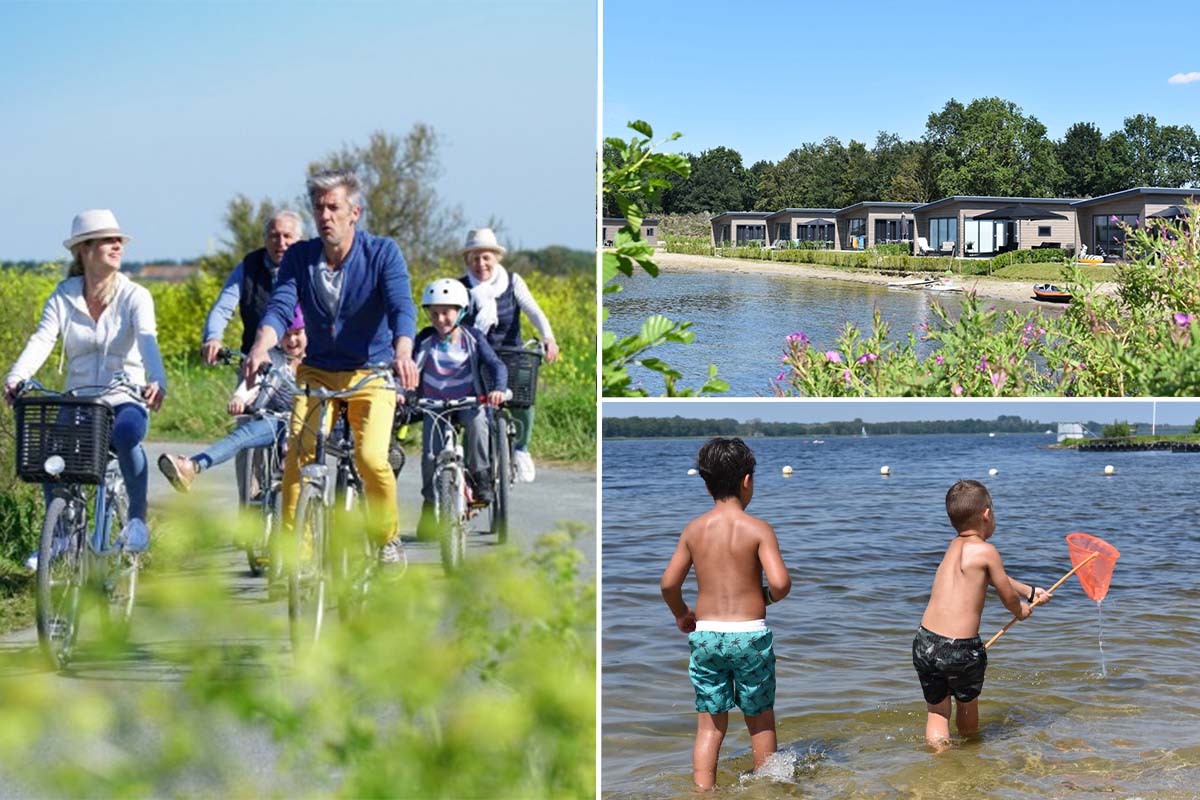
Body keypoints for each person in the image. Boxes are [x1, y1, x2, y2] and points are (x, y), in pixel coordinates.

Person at [244, 169, 418, 571]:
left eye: (334, 207)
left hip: (371, 373)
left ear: (354, 212)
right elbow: (281, 307)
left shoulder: (382, 253)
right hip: (317, 372)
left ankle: (387, 539)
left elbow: (400, 307)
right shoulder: (300, 258)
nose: (325, 215)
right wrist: (260, 346)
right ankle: (296, 554)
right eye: (319, 207)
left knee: (371, 456)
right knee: (298, 456)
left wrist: (404, 351)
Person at [4, 209, 167, 564]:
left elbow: (147, 340)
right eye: (107, 240)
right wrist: (15, 377)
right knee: (48, 449)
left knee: (125, 435)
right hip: (79, 399)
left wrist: (157, 379)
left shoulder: (135, 295)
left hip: (125, 396)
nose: (116, 246)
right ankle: (61, 534)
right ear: (84, 250)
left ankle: (137, 521)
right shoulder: (64, 295)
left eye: (118, 240)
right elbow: (42, 339)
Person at [660, 437, 791, 792]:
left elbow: (669, 584)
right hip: (750, 636)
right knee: (760, 722)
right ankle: (766, 789)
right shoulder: (758, 529)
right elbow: (780, 584)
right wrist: (763, 596)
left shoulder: (693, 530)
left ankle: (704, 792)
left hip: (706, 636)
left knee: (710, 726)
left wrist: (682, 613)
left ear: (706, 484)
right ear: (747, 481)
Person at [913, 479, 1052, 749]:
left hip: (925, 641)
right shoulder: (988, 551)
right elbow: (1005, 594)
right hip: (961, 650)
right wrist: (1020, 609)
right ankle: (969, 753)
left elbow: (989, 578)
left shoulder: (953, 548)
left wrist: (1030, 590)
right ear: (986, 514)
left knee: (937, 712)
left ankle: (939, 759)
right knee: (967, 707)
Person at [158, 306, 305, 492]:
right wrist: (239, 398)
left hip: (310, 424)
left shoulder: (317, 362)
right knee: (242, 435)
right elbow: (254, 382)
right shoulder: (273, 359)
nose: (292, 340)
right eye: (286, 335)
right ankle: (192, 467)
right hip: (278, 423)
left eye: (298, 333)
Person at [407, 278, 507, 539]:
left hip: (468, 401)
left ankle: (481, 476)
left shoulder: (472, 338)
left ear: (461, 311)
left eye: (446, 313)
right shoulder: (424, 339)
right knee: (430, 455)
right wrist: (402, 392)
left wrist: (497, 388)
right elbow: (410, 369)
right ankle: (430, 504)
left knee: (477, 425)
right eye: (434, 313)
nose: (440, 319)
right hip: (433, 405)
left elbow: (496, 365)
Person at [458, 227, 558, 483]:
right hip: (476, 358)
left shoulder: (512, 281)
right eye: (475, 258)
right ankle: (474, 471)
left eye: (486, 257)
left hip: (510, 354)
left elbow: (534, 311)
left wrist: (548, 337)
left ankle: (521, 449)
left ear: (496, 258)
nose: (481, 263)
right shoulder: (460, 287)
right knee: (474, 411)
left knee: (524, 398)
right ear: (468, 260)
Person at [200, 209, 304, 364]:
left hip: (304, 361)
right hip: (258, 362)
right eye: (274, 236)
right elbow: (222, 309)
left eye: (287, 236)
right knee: (242, 389)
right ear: (265, 239)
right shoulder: (248, 268)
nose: (281, 242)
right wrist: (213, 338)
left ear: (298, 239)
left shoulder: (312, 266)